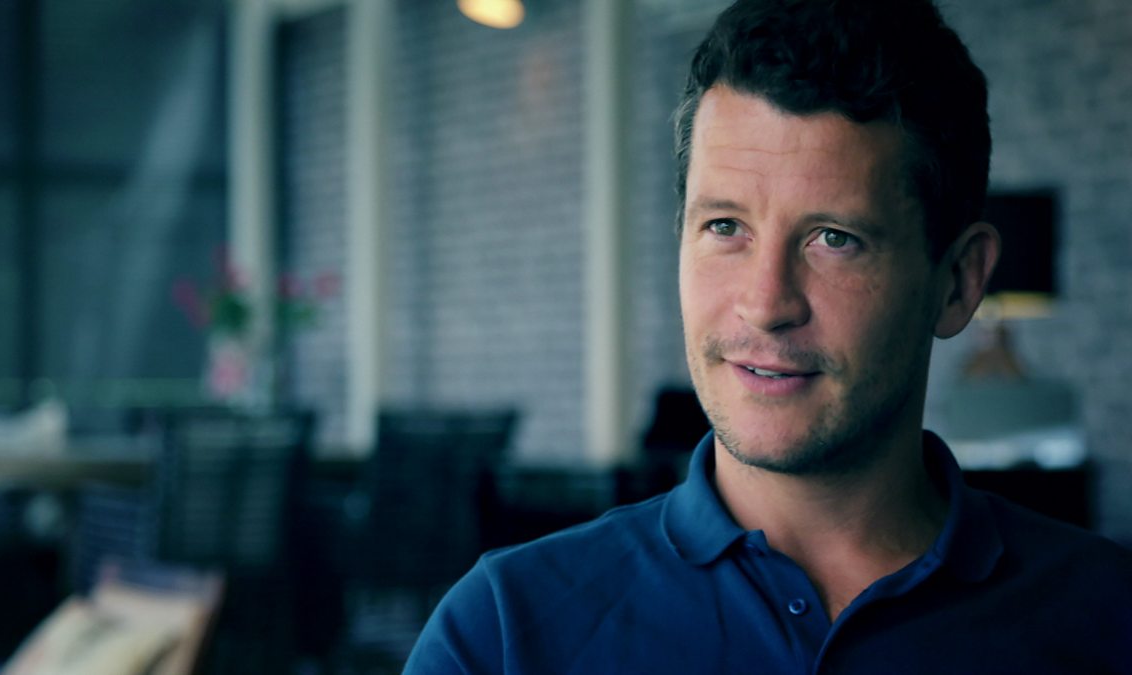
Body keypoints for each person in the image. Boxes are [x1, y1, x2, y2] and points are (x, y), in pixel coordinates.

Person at [404, 0, 1132, 672]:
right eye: (725, 226)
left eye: (834, 239)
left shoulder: (1108, 618)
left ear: (959, 282)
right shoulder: (501, 633)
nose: (765, 304)